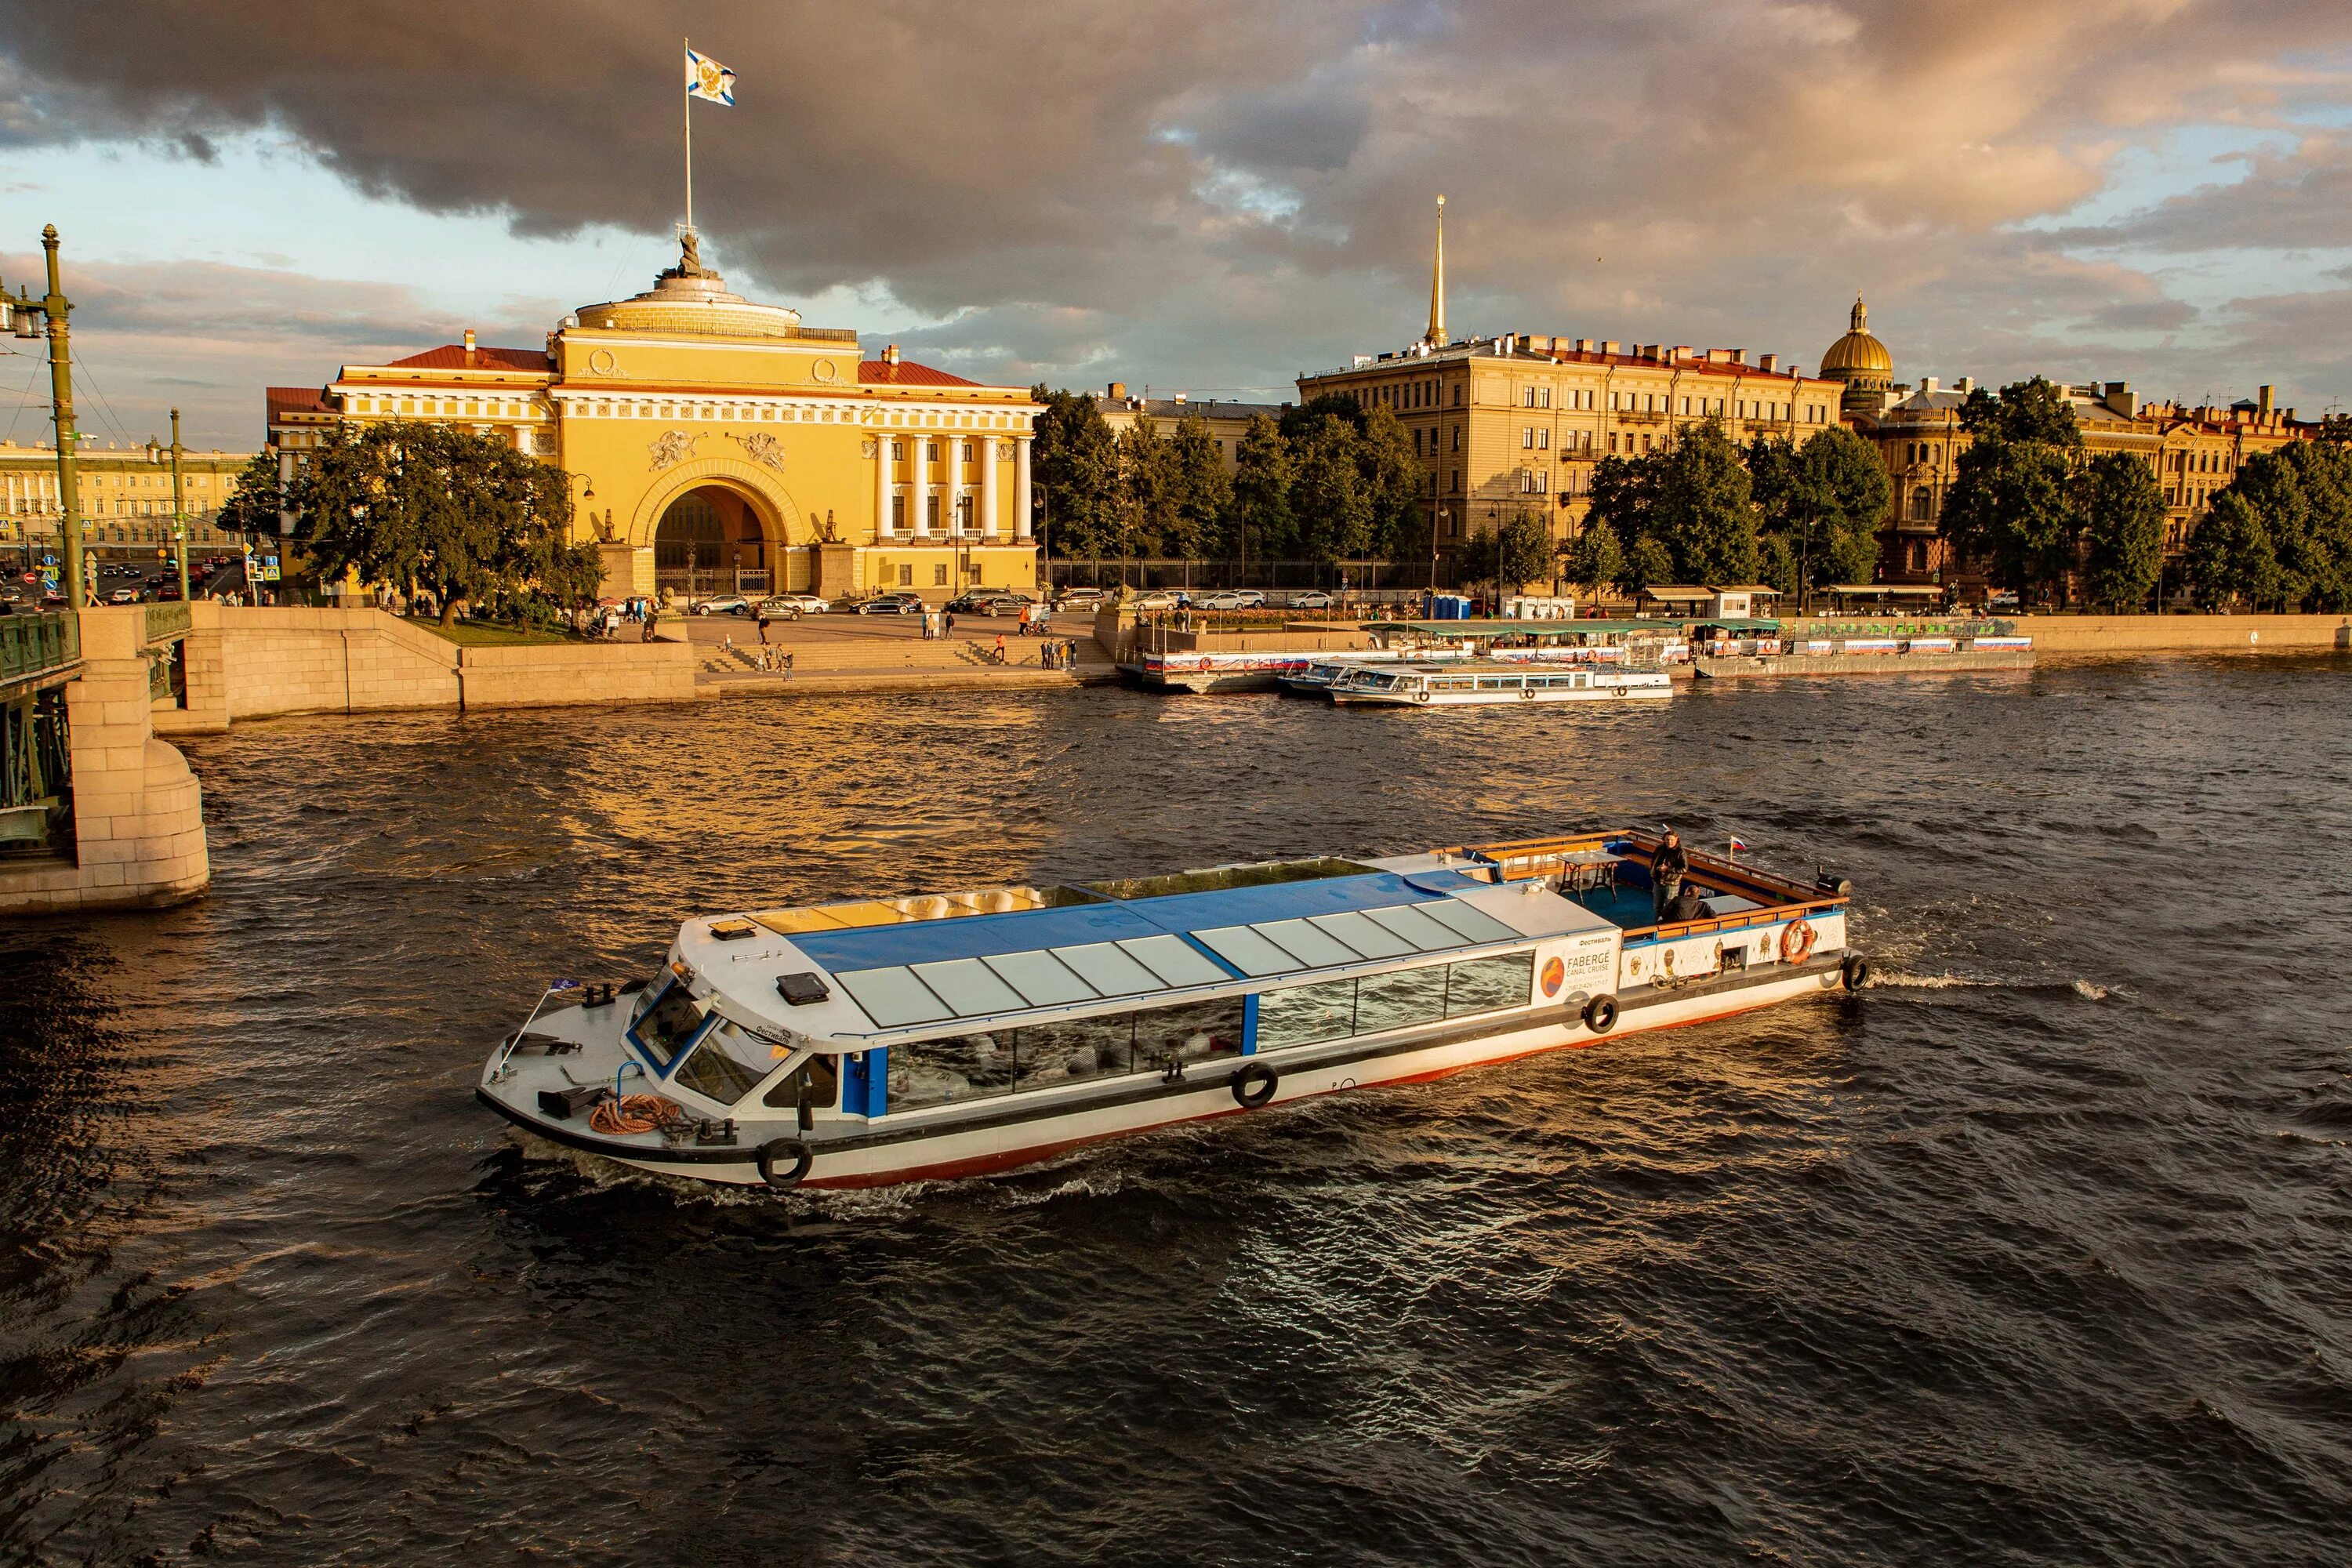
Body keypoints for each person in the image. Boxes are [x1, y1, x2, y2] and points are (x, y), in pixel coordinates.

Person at [1651, 829, 1690, 922]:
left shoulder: (1681, 852)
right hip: (1658, 881)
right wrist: (1653, 872)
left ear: (1677, 839)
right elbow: (1654, 862)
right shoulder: (1660, 849)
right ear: (1664, 839)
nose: (1669, 842)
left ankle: (1667, 926)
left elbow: (1684, 869)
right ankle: (1657, 924)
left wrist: (1667, 869)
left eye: (1672, 839)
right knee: (1657, 907)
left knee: (1669, 907)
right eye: (1667, 839)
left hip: (1671, 883)